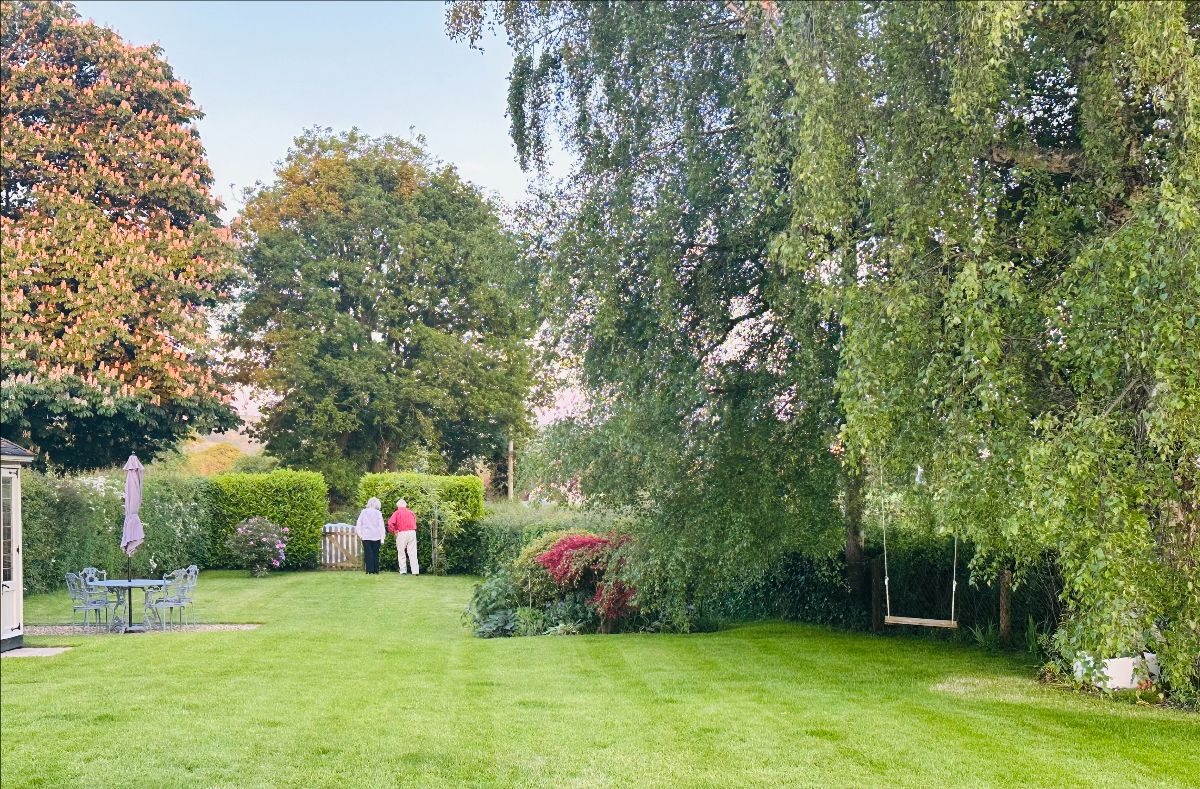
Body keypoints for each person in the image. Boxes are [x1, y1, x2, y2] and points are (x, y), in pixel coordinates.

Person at [387, 498, 419, 575]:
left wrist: (394, 531)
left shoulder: (397, 513)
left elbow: (390, 523)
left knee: (401, 552)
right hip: (412, 532)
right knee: (413, 552)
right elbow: (415, 521)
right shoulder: (411, 512)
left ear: (398, 506)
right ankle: (415, 571)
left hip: (402, 533)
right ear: (405, 505)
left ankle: (403, 570)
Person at [355, 497, 385, 574]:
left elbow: (359, 524)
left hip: (366, 536)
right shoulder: (378, 513)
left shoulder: (364, 512)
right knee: (376, 554)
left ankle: (369, 570)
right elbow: (381, 526)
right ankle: (376, 570)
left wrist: (360, 534)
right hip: (376, 536)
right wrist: (382, 538)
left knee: (368, 554)